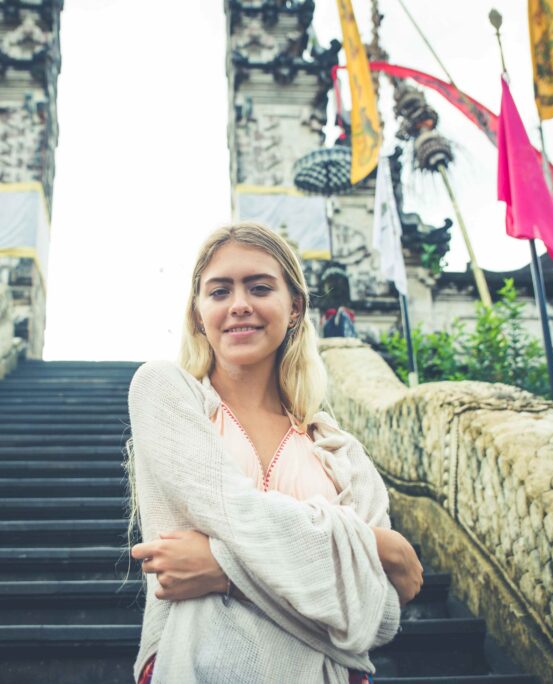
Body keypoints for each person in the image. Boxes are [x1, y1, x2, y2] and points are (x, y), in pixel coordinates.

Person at [127, 222, 423, 683]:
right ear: (197, 314)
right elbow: (237, 514)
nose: (239, 304)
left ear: (294, 308)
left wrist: (220, 570)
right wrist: (377, 546)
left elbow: (379, 613)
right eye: (219, 291)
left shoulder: (339, 452)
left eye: (260, 287)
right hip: (196, 666)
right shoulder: (165, 394)